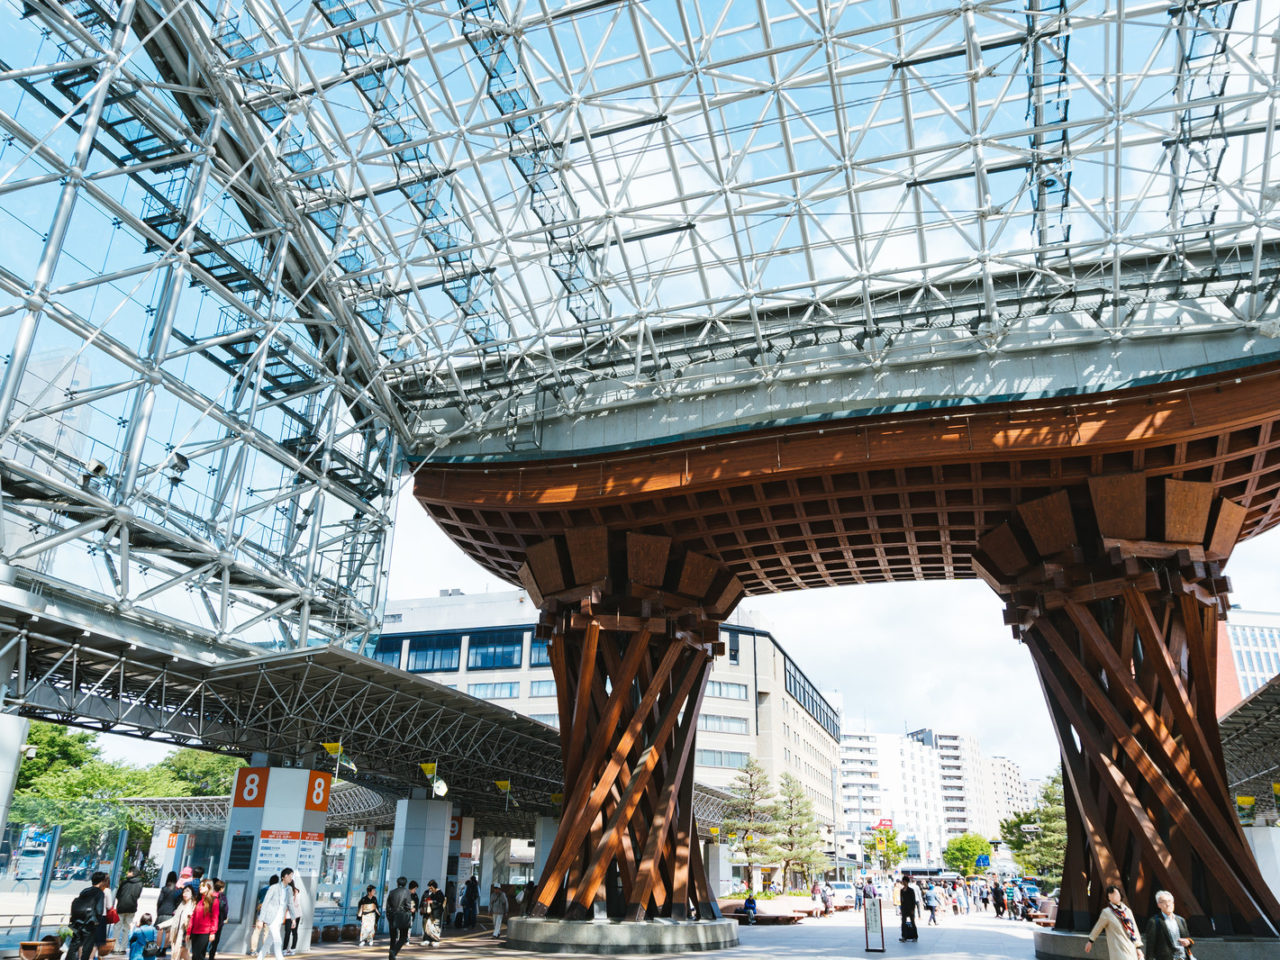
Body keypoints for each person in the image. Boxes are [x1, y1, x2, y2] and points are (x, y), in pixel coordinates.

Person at [1085, 884, 1143, 960]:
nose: (1114, 896)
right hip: (1118, 950)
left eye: (1115, 893)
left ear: (1120, 895)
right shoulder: (1107, 912)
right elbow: (1098, 927)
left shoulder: (1127, 911)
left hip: (1131, 948)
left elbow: (1134, 929)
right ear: (1108, 898)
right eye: (1111, 894)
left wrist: (1138, 947)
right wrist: (1090, 941)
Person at [69, 873, 110, 960]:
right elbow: (99, 910)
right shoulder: (99, 893)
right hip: (89, 922)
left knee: (75, 943)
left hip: (78, 920)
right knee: (87, 946)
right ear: (102, 882)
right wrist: (96, 922)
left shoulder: (85, 890)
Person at [1143, 890, 1194, 960]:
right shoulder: (1154, 921)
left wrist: (1188, 942)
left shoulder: (1181, 920)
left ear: (1173, 903)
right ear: (1158, 905)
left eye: (1170, 901)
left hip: (1183, 957)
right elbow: (1150, 947)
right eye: (1163, 902)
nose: (1168, 904)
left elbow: (1188, 939)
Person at [256, 871, 292, 960]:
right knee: (278, 940)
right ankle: (280, 958)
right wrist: (261, 920)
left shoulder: (289, 889)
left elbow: (290, 904)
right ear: (284, 877)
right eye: (290, 876)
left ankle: (260, 957)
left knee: (269, 941)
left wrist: (294, 919)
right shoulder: (273, 888)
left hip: (279, 920)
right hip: (271, 919)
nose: (291, 878)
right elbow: (265, 903)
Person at [157, 885, 195, 960]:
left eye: (187, 891)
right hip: (177, 933)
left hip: (185, 934)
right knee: (178, 954)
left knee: (180, 953)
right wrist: (161, 925)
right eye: (184, 892)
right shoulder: (181, 905)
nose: (185, 894)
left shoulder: (193, 905)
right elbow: (175, 919)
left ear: (192, 894)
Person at [186, 881, 219, 960]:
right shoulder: (199, 900)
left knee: (199, 955)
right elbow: (193, 917)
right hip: (195, 931)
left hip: (205, 932)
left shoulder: (214, 900)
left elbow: (215, 917)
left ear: (209, 887)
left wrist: (212, 932)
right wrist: (188, 932)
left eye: (203, 886)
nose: (200, 887)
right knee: (194, 955)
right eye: (200, 886)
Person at [116, 868, 144, 956]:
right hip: (132, 908)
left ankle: (115, 947)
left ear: (132, 873)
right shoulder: (140, 884)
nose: (127, 873)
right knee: (127, 928)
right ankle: (123, 948)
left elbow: (118, 894)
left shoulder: (124, 882)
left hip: (121, 907)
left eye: (129, 871)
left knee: (117, 927)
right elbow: (137, 895)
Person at [385, 877, 413, 960]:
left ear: (397, 883)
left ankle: (391, 956)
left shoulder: (392, 892)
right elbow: (408, 906)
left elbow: (388, 906)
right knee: (403, 937)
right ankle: (394, 951)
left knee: (393, 937)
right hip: (402, 916)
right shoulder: (407, 892)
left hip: (393, 916)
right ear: (405, 884)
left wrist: (389, 916)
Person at [155, 873, 181, 956]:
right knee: (168, 932)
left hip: (162, 911)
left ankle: (158, 949)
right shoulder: (177, 890)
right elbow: (178, 903)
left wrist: (158, 911)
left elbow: (160, 900)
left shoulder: (164, 889)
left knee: (160, 931)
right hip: (171, 913)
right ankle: (164, 950)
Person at [279, 870, 301, 956]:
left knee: (287, 932)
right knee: (294, 932)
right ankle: (293, 949)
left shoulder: (289, 891)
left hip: (289, 915)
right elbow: (297, 904)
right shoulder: (298, 891)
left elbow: (290, 904)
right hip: (298, 914)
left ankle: (284, 949)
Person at [207, 880, 228, 960]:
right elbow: (226, 909)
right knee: (215, 940)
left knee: (207, 937)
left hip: (209, 920)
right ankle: (211, 956)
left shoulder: (211, 895)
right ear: (222, 888)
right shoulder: (223, 896)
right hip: (219, 921)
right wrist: (225, 917)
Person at [422, 881, 445, 947]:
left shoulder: (439, 893)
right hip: (428, 913)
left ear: (434, 887)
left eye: (431, 888)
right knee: (427, 926)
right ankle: (427, 939)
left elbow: (440, 903)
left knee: (436, 926)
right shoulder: (427, 892)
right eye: (429, 888)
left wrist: (432, 902)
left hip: (436, 913)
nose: (430, 889)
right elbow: (423, 900)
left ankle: (435, 940)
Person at [898, 876, 918, 942]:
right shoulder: (901, 890)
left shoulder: (911, 890)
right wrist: (901, 909)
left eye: (904, 881)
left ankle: (915, 936)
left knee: (912, 922)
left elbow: (913, 900)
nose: (903, 882)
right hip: (904, 909)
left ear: (906, 882)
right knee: (903, 923)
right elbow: (901, 900)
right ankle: (904, 936)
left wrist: (913, 909)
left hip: (910, 909)